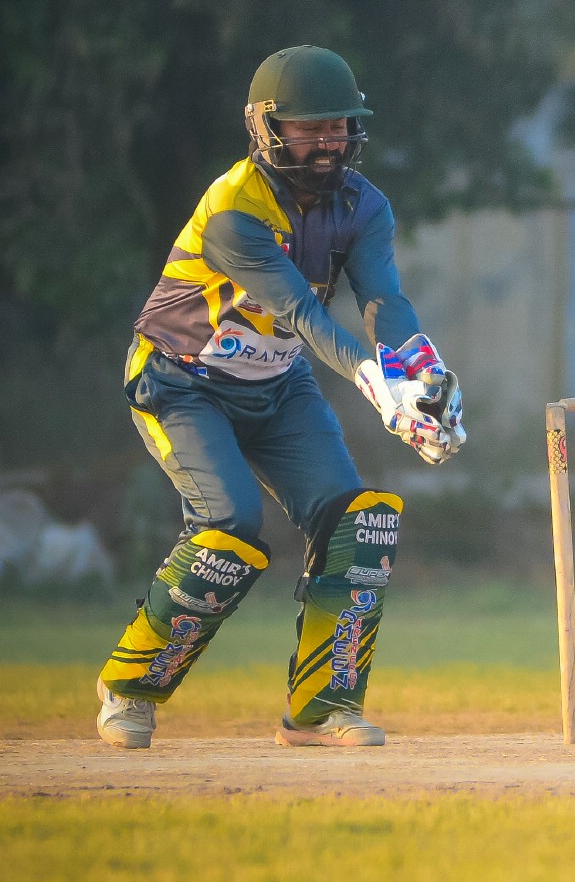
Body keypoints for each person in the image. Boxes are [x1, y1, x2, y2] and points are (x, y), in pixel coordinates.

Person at [95, 45, 467, 749]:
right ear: (266, 127)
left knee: (359, 524)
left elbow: (384, 300)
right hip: (181, 380)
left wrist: (423, 377)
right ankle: (130, 689)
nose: (329, 141)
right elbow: (302, 312)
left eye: (339, 125)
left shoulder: (363, 204)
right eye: (310, 127)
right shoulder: (235, 210)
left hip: (278, 384)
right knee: (229, 525)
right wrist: (376, 387)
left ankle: (321, 709)